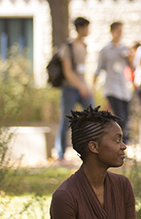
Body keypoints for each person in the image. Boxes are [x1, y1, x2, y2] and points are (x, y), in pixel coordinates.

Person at [55, 17, 95, 162]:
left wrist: (86, 86)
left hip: (83, 87)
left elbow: (82, 71)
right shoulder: (68, 46)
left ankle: (94, 150)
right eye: (86, 27)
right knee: (66, 119)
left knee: (94, 115)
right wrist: (80, 87)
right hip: (70, 88)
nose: (88, 30)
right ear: (80, 28)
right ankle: (60, 153)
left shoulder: (84, 46)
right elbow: (67, 71)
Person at [94, 22, 134, 144]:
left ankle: (124, 140)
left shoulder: (124, 49)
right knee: (119, 115)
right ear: (112, 31)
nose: (119, 34)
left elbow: (132, 67)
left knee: (126, 117)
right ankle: (121, 141)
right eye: (117, 31)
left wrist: (130, 57)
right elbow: (98, 68)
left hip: (123, 88)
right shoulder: (105, 50)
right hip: (111, 87)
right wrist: (93, 87)